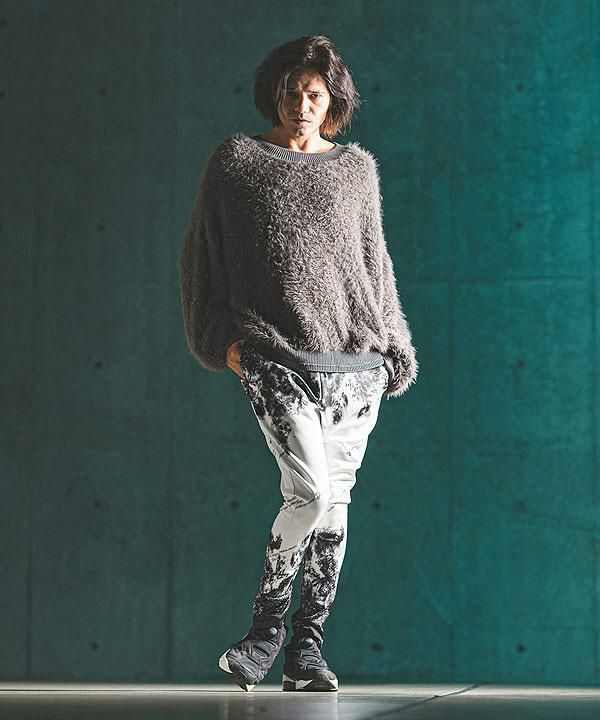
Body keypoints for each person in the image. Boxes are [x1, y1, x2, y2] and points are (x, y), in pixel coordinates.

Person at [178, 34, 418, 693]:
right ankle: (263, 633)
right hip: (274, 354)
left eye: (313, 93)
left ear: (332, 100)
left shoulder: (356, 170)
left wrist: (394, 348)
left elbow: (375, 263)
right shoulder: (236, 162)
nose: (301, 104)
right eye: (290, 92)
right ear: (274, 95)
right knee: (308, 494)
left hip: (356, 365)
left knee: (333, 506)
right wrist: (216, 340)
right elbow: (201, 256)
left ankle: (306, 652)